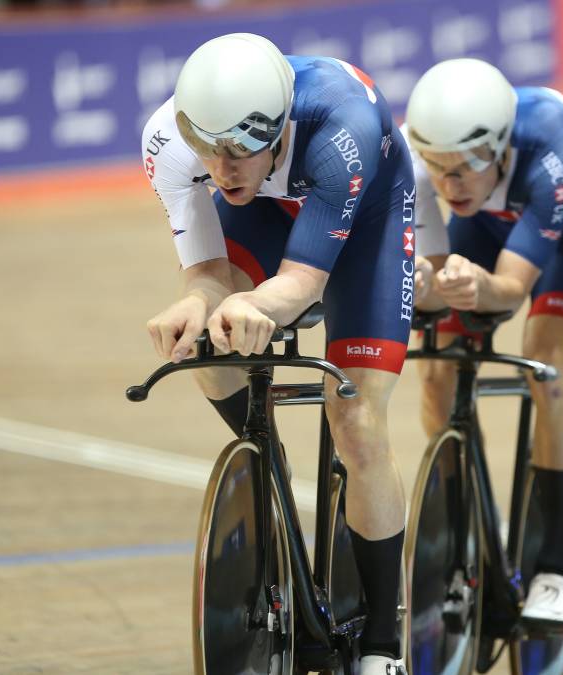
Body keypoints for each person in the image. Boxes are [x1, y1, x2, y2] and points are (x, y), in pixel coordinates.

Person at [140, 33, 413, 674]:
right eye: (211, 150)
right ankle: (268, 466)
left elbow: (302, 285)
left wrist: (259, 306)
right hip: (267, 211)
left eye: (240, 150)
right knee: (206, 347)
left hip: (365, 216)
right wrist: (197, 306)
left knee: (356, 420)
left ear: (278, 127)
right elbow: (206, 275)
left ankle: (381, 642)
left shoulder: (340, 124)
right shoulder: (169, 142)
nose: (222, 168)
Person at [405, 58, 563, 631]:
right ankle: (473, 527)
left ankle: (556, 566)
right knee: (436, 371)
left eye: (465, 170)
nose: (450, 186)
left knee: (548, 369)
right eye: (438, 171)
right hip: (486, 224)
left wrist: (477, 287)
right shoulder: (417, 157)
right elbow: (426, 274)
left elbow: (507, 292)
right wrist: (429, 283)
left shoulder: (555, 149)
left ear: (500, 146)